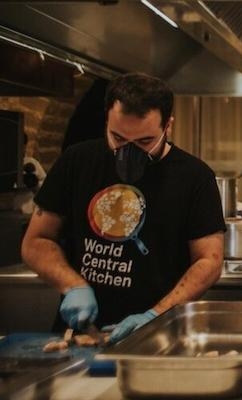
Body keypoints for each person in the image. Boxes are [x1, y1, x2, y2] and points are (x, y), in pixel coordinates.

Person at [21, 72, 225, 343]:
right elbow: (36, 240)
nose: (128, 151)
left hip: (157, 336)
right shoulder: (76, 162)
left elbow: (209, 261)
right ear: (107, 119)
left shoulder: (194, 177)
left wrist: (156, 314)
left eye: (144, 142)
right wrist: (72, 285)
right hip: (78, 336)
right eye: (117, 138)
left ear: (168, 126)